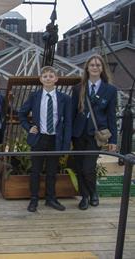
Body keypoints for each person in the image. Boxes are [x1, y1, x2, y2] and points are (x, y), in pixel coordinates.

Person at [19, 66, 72, 212]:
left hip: (55, 139)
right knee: (35, 171)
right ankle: (34, 199)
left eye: (51, 76)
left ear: (56, 79)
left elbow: (68, 122)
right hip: (39, 138)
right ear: (41, 79)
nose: (48, 78)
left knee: (51, 171)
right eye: (45, 76)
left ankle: (51, 199)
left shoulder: (64, 99)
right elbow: (22, 114)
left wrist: (65, 145)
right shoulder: (34, 96)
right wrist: (29, 127)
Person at [71, 54, 117, 210]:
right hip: (78, 134)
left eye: (98, 65)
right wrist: (68, 135)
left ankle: (93, 192)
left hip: (95, 135)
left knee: (88, 167)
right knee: (79, 166)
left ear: (102, 68)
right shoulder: (78, 88)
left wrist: (113, 141)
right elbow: (72, 113)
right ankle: (84, 197)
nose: (95, 67)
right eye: (92, 65)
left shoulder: (110, 90)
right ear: (87, 68)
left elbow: (111, 116)